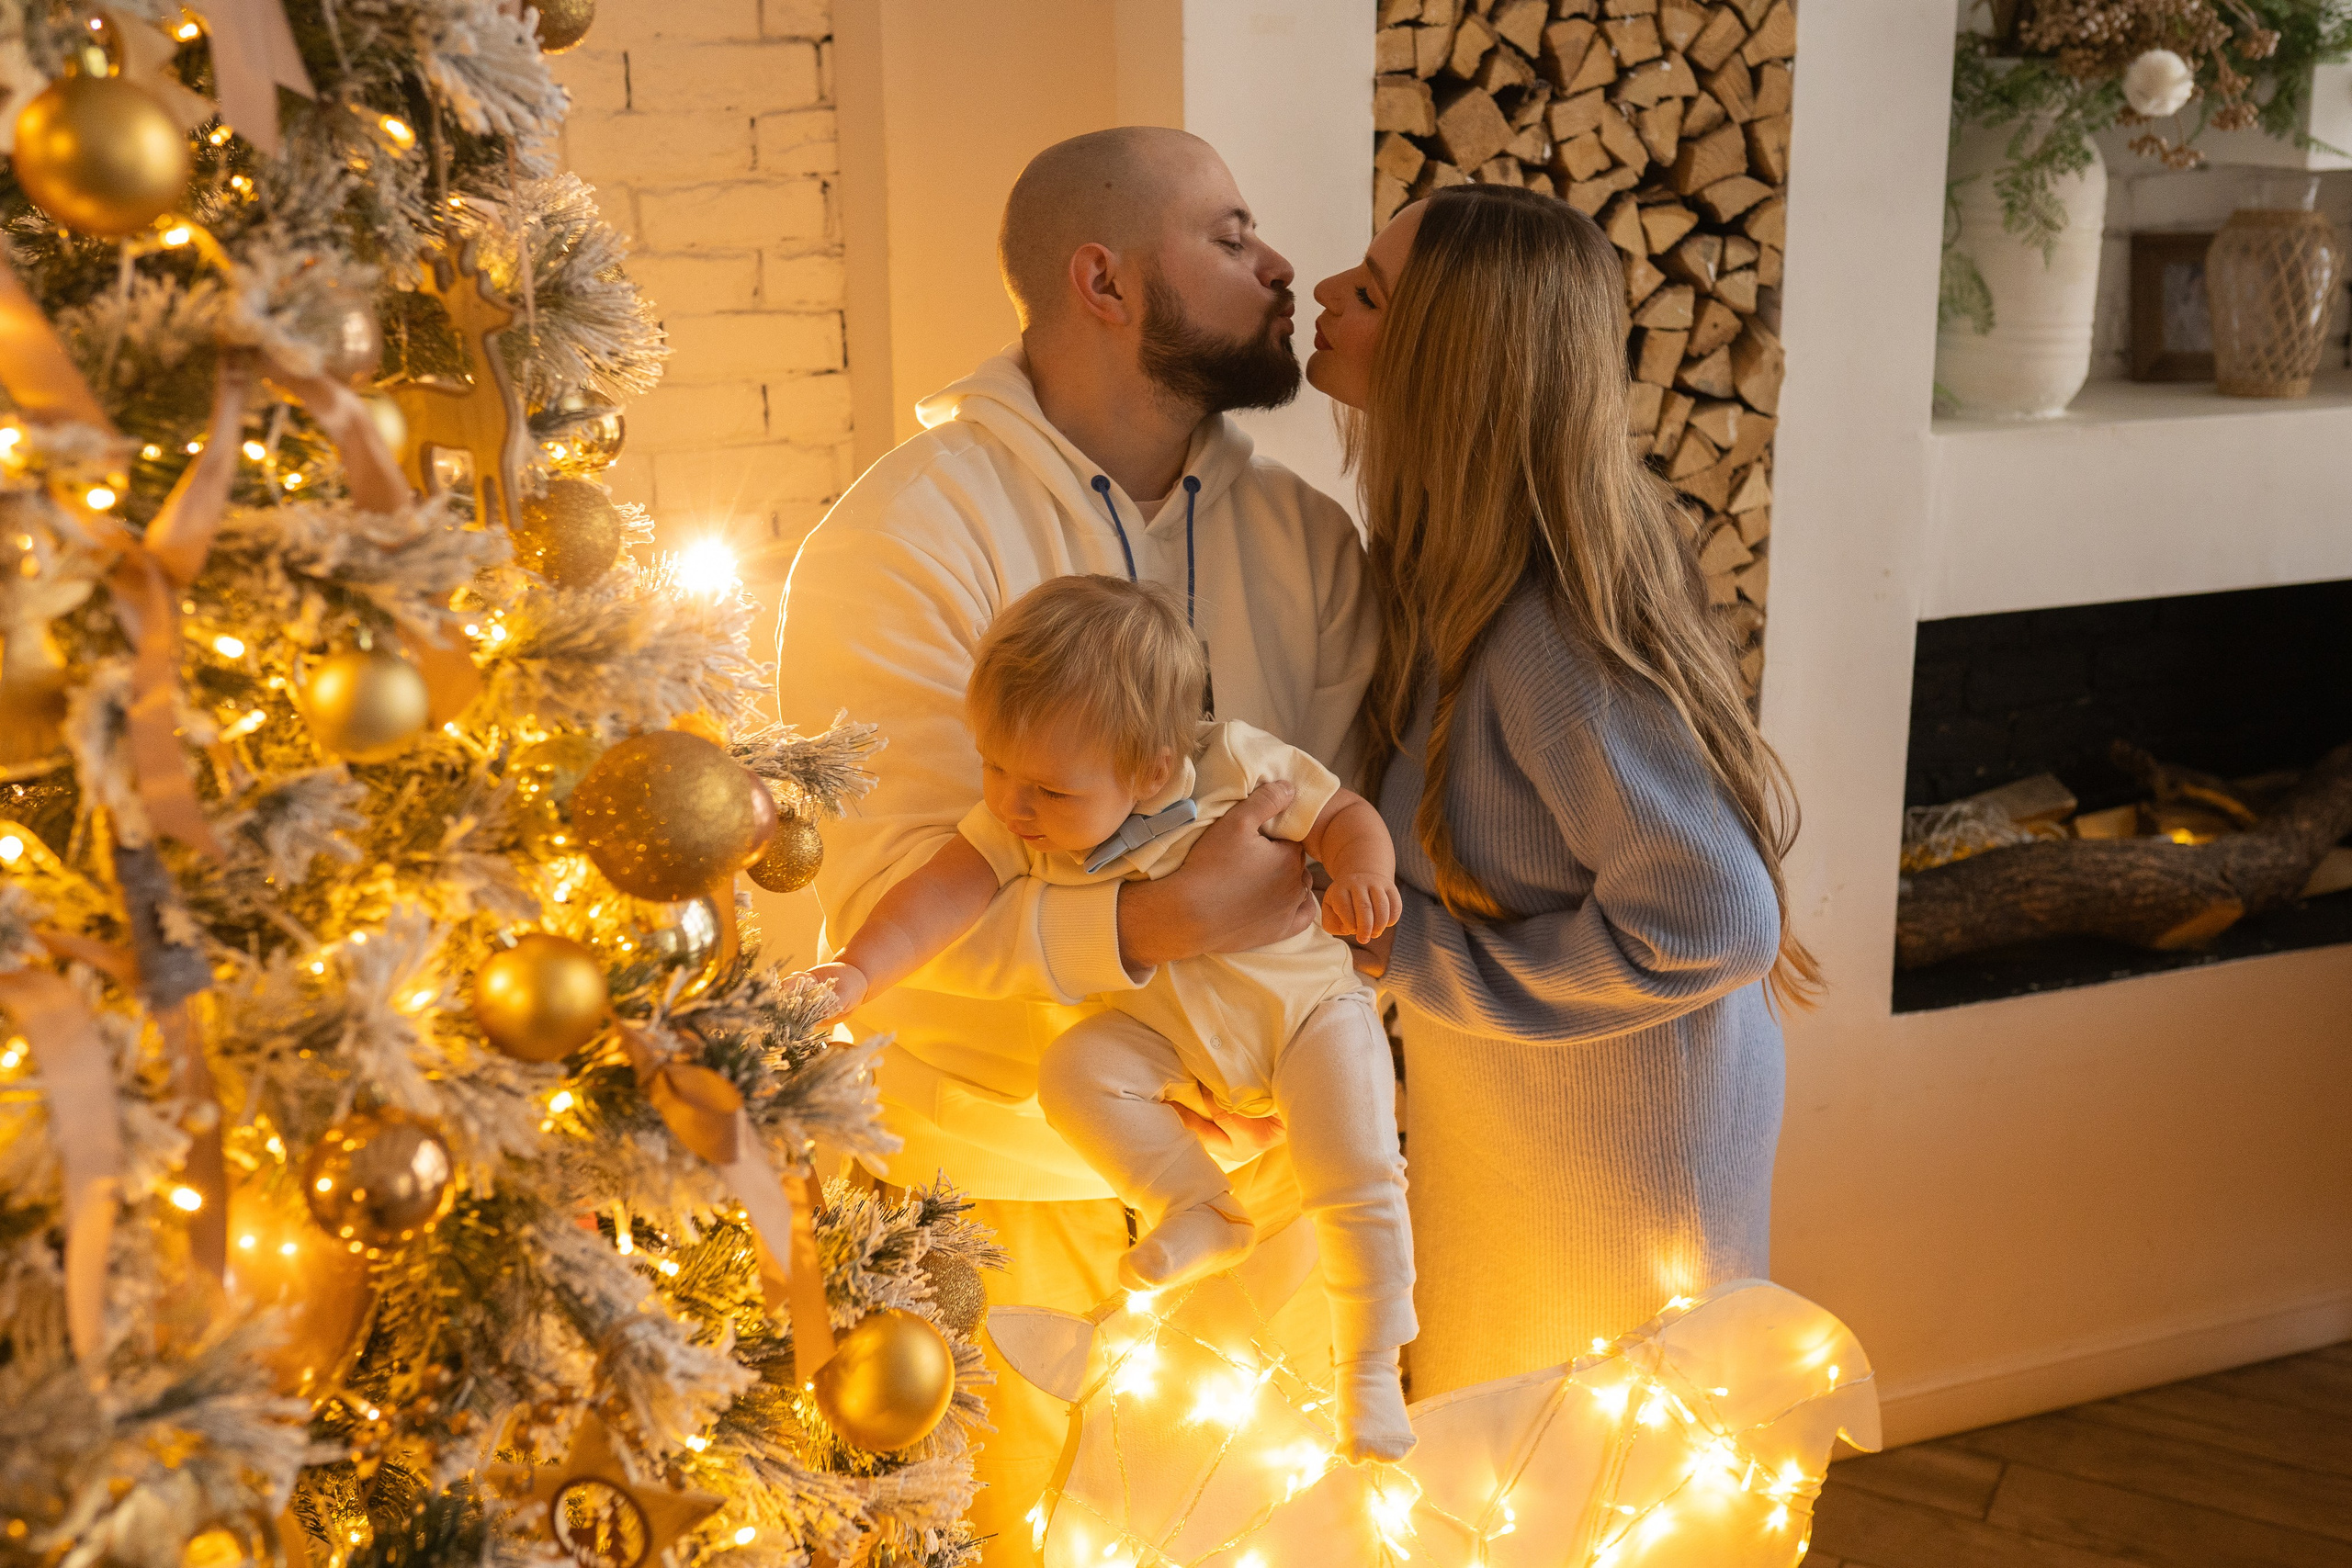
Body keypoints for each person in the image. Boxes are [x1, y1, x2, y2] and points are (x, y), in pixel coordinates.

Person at [775, 128, 1376, 1560]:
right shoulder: (907, 537)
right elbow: (885, 912)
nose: (1280, 263)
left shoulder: (1308, 539)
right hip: (1008, 1186)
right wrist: (1157, 931)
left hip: (1271, 1185)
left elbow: (1358, 848)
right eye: (1230, 238)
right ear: (1101, 278)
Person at [1303, 184, 1821, 1400]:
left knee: (1578, 1480)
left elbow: (1717, 915)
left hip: (1617, 1165)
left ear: (1452, 358)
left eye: (1370, 291)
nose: (1324, 294)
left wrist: (1403, 954)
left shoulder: (1541, 634)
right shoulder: (1446, 573)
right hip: (1520, 1124)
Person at [809, 576, 1415, 1461]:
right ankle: (1195, 1203)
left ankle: (1368, 1359)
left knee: (1356, 1169)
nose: (1012, 804)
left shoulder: (1241, 767)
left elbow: (1346, 815)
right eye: (994, 767)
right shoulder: (1023, 821)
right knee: (1076, 1071)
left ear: (1154, 770)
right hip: (1165, 1039)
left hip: (1308, 1015)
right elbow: (939, 896)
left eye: (1047, 789)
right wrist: (857, 969)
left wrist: (1363, 870)